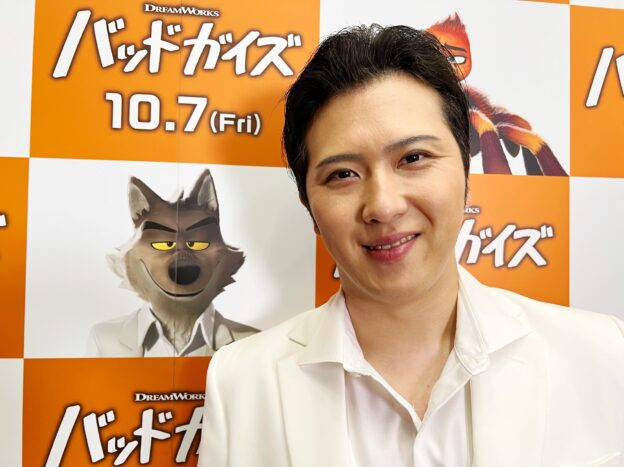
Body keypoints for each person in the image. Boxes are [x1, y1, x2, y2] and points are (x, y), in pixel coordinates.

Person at [198, 25, 624, 466]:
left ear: (465, 170)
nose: (383, 206)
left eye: (413, 158)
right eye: (342, 174)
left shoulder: (600, 353)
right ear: (309, 205)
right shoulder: (241, 382)